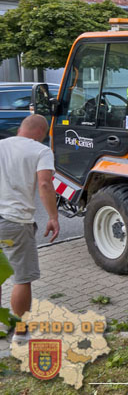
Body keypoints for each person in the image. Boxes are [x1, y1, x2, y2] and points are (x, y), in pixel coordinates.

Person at [0, 115, 60, 344]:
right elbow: (45, 184)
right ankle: (21, 332)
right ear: (41, 133)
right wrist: (53, 217)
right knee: (22, 278)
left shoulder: (1, 145)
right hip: (15, 222)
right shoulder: (40, 151)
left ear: (21, 128)